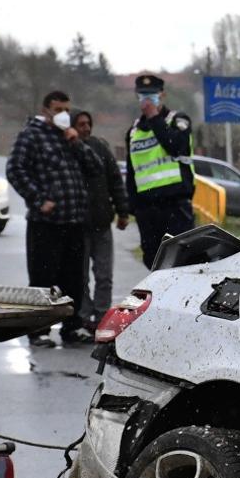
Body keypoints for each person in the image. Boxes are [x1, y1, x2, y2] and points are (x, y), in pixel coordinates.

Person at [5, 89, 100, 347]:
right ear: (46, 110)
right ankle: (39, 330)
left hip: (74, 220)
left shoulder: (69, 136)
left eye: (66, 110)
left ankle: (72, 326)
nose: (63, 115)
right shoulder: (31, 135)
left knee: (74, 279)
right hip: (45, 223)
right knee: (42, 279)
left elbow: (95, 167)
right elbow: (15, 169)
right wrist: (38, 199)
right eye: (58, 110)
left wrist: (76, 142)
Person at [124, 72, 194, 266]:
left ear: (162, 94)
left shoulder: (177, 120)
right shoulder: (134, 131)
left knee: (182, 260)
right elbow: (132, 172)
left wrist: (154, 117)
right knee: (153, 261)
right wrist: (133, 207)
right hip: (147, 209)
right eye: (143, 94)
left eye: (152, 94)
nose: (147, 99)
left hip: (174, 205)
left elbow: (176, 146)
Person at [73, 111, 131, 340]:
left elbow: (115, 180)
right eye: (81, 124)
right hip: (77, 225)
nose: (86, 128)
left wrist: (123, 212)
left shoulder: (100, 148)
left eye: (88, 123)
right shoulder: (66, 150)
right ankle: (83, 317)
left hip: (101, 223)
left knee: (104, 275)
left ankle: (101, 318)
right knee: (80, 277)